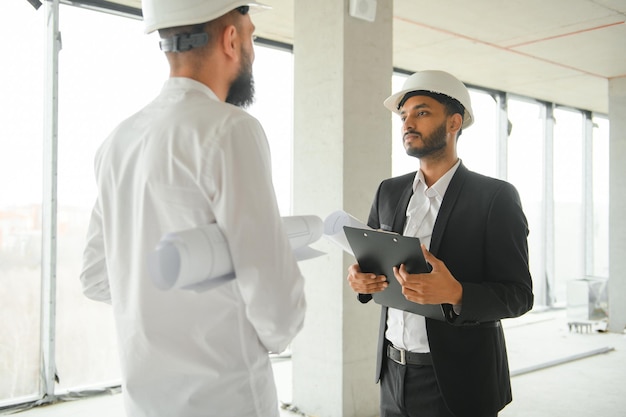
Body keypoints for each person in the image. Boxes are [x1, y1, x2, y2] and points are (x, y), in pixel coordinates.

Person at [79, 1, 306, 416]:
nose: (252, 48)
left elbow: (96, 276)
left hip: (145, 403)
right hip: (227, 398)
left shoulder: (118, 142)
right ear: (231, 39)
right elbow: (276, 308)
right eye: (251, 35)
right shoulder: (231, 128)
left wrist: (158, 299)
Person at [347, 70, 534, 417]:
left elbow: (519, 295)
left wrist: (457, 293)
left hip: (458, 381)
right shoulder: (388, 191)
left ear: (454, 122)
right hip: (392, 373)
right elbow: (371, 263)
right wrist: (362, 281)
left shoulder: (495, 198)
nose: (407, 123)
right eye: (403, 116)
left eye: (421, 112)